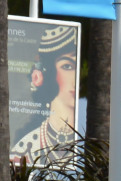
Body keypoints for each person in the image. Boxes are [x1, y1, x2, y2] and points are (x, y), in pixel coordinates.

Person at [11, 25, 78, 164]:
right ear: (50, 74)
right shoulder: (25, 149)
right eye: (67, 66)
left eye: (77, 67)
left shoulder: (88, 146)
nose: (75, 77)